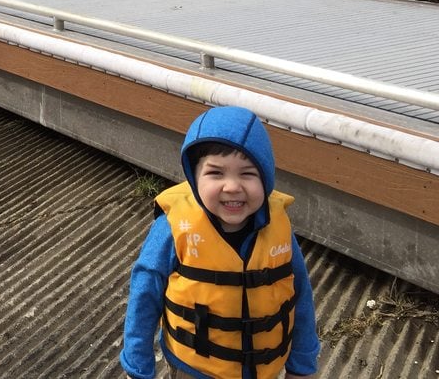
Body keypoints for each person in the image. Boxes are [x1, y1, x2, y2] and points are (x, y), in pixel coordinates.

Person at [120, 106, 321, 379]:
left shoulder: (280, 229)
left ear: (266, 178)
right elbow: (145, 295)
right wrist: (137, 365)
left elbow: (300, 296)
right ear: (194, 178)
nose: (232, 187)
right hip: (195, 369)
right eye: (216, 173)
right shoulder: (172, 228)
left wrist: (303, 363)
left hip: (266, 369)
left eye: (248, 174)